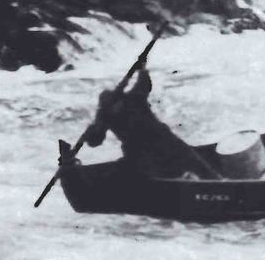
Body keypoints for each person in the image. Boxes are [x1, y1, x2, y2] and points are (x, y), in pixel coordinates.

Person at [83, 61, 217, 178]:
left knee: (189, 159)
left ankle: (214, 179)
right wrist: (89, 133)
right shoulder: (105, 116)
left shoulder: (134, 98)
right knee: (148, 171)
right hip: (137, 151)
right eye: (111, 107)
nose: (115, 109)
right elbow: (95, 141)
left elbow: (144, 84)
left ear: (120, 100)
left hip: (162, 139)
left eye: (116, 105)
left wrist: (142, 68)